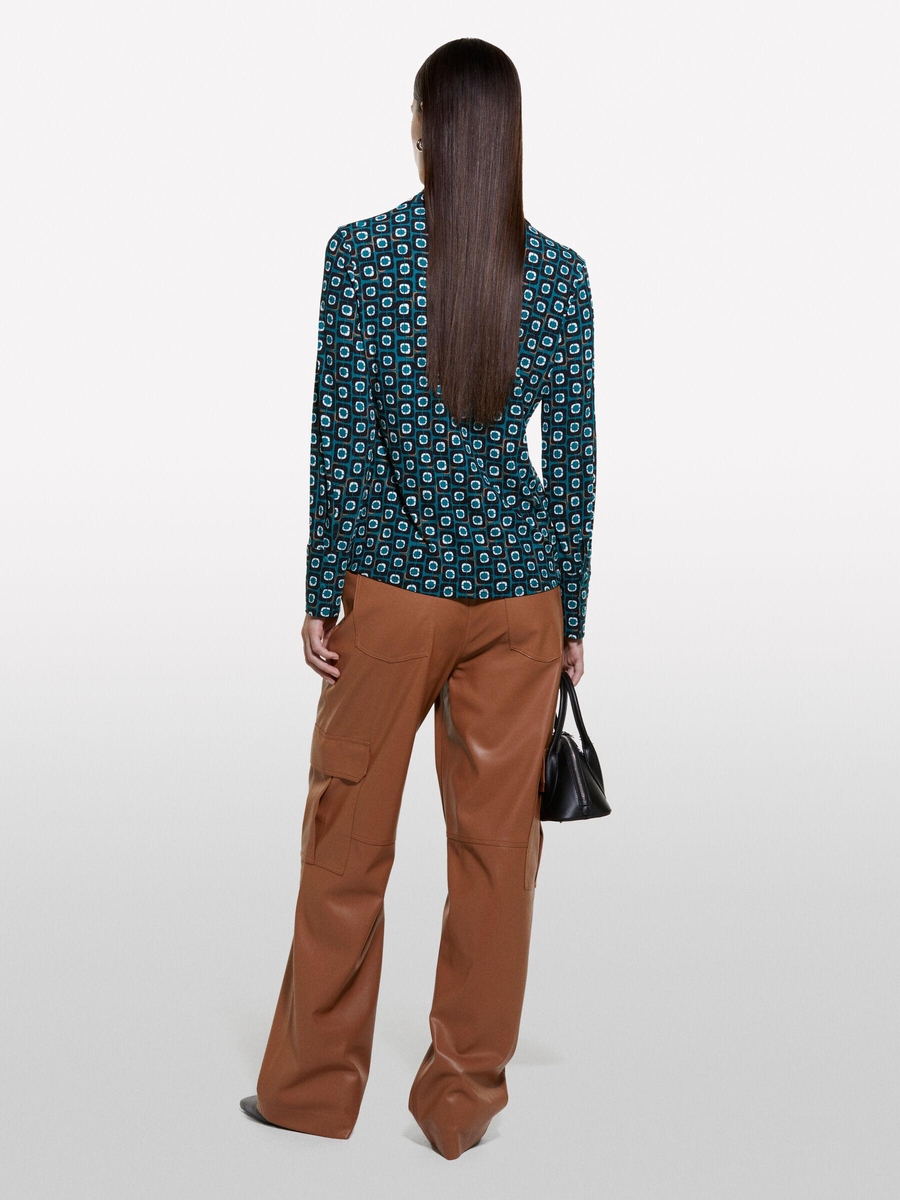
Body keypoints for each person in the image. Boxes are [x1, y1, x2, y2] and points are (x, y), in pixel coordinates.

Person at [240, 36, 596, 1160]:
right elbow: (573, 461)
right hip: (519, 600)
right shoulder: (562, 275)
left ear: (426, 128)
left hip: (392, 595)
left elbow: (340, 439)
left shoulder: (363, 255)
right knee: (497, 862)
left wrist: (320, 588)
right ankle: (458, 1107)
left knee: (347, 839)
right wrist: (573, 617)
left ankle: (310, 1094)